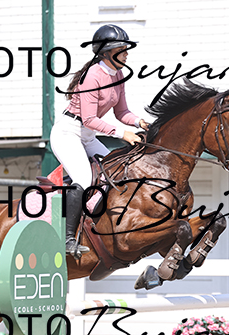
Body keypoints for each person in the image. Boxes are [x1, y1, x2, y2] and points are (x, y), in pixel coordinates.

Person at [50, 24, 150, 257]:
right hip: (68, 133)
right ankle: (67, 240)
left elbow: (121, 112)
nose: (127, 53)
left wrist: (139, 122)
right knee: (84, 180)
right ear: (107, 52)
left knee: (119, 172)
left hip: (87, 136)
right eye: (122, 49)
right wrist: (122, 134)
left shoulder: (119, 75)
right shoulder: (92, 76)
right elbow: (89, 119)